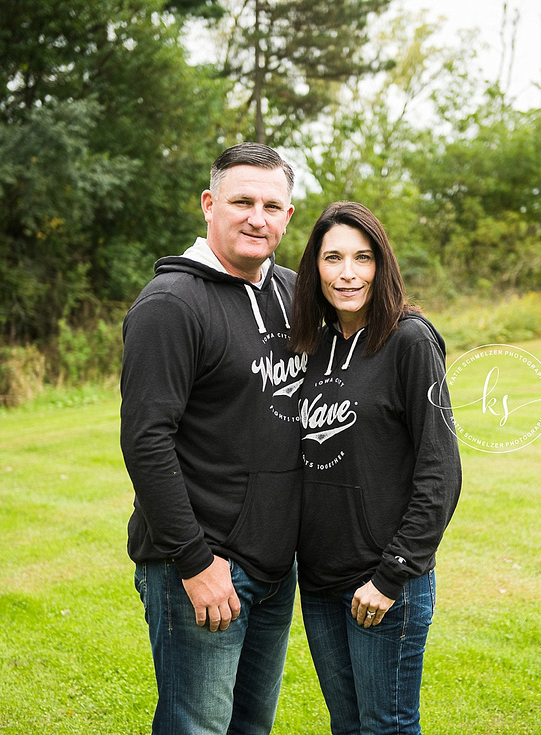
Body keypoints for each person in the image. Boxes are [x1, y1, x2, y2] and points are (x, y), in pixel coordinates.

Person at [120, 143, 305, 735]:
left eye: (273, 205)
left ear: (288, 216)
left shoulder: (294, 295)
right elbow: (147, 442)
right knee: (195, 726)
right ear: (208, 204)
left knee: (252, 726)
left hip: (275, 568)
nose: (258, 217)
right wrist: (196, 562)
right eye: (242, 201)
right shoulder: (171, 305)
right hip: (202, 566)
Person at [289, 201, 462, 735]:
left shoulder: (409, 341)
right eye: (333, 258)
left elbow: (441, 472)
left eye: (362, 258)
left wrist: (390, 576)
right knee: (348, 725)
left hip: (384, 584)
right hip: (319, 582)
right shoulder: (310, 347)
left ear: (381, 265)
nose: (347, 273)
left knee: (385, 725)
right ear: (314, 268)